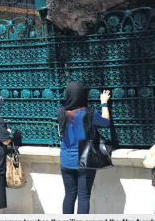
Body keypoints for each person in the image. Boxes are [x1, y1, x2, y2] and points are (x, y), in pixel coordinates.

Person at [57, 82, 110, 214]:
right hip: (85, 160)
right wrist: (104, 103)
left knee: (69, 195)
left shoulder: (61, 113)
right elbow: (106, 122)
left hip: (65, 160)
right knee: (83, 196)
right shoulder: (89, 114)